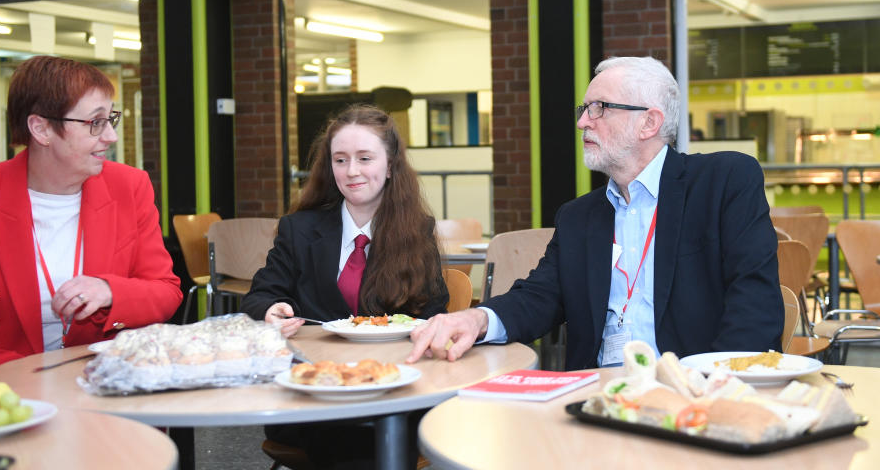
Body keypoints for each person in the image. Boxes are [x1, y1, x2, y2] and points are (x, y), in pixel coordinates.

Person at [408, 56, 782, 370]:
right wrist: (477, 318)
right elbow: (539, 297)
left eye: (599, 108)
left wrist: (709, 394)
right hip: (598, 399)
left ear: (649, 122)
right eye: (584, 109)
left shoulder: (723, 183)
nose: (582, 121)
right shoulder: (579, 216)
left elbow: (754, 305)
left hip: (695, 395)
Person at [0, 56, 183, 393]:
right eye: (95, 122)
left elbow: (165, 289)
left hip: (99, 387)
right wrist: (26, 381)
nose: (111, 136)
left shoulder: (129, 187)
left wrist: (110, 290)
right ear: (41, 129)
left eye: (110, 119)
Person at [241, 104, 448, 470]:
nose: (351, 171)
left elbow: (434, 314)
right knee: (346, 437)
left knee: (376, 431)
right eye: (340, 160)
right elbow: (260, 296)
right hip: (315, 393)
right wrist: (270, 311)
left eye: (364, 158)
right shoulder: (299, 229)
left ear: (391, 165)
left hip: (392, 388)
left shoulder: (417, 231)